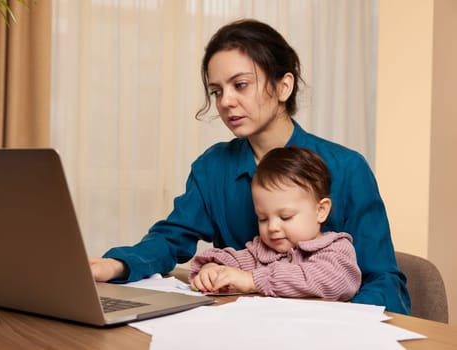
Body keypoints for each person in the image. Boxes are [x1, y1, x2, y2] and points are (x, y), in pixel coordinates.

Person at [89, 18, 411, 314]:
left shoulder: (347, 168)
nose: (226, 101)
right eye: (217, 91)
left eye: (240, 85)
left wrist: (332, 330)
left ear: (284, 86)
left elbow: (383, 283)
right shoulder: (212, 167)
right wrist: (115, 265)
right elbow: (171, 239)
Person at [188, 146, 361, 301]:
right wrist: (212, 270)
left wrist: (251, 280)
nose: (272, 227)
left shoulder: (337, 249)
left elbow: (330, 280)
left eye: (285, 217)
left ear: (321, 210)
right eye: (263, 218)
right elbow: (230, 260)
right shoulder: (260, 252)